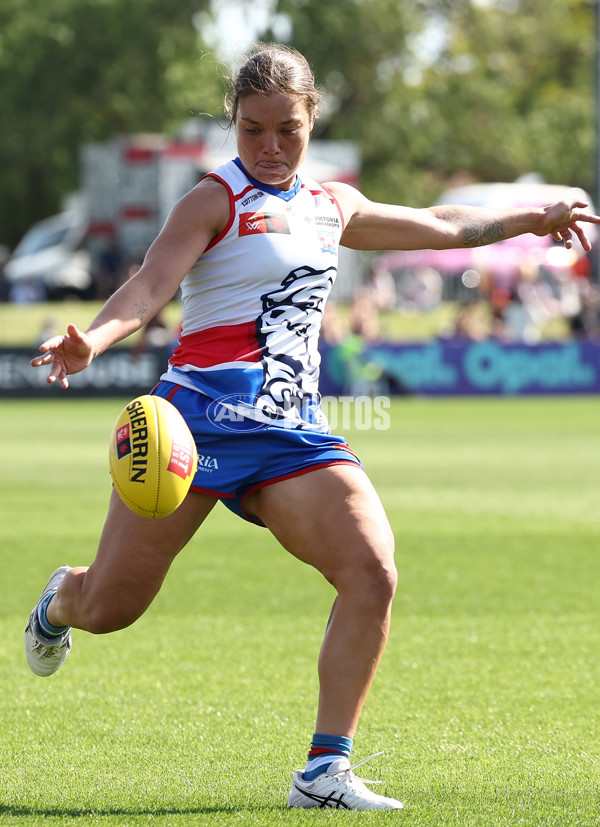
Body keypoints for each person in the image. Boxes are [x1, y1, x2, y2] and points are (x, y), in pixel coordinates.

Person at [25, 43, 600, 811]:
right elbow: (151, 285)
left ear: (311, 120)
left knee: (373, 569)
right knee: (110, 610)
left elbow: (438, 222)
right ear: (233, 120)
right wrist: (91, 342)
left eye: (286, 130)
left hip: (292, 433)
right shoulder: (212, 199)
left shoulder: (333, 206)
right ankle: (61, 598)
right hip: (192, 428)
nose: (268, 147)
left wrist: (533, 215)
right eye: (253, 129)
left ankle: (324, 770)